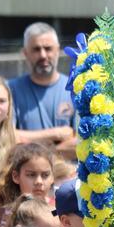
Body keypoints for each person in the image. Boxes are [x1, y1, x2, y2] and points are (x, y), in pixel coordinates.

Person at [9, 22, 77, 157]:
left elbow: (82, 143)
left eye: (48, 48)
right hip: (27, 177)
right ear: (25, 53)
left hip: (69, 176)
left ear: (58, 50)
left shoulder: (76, 89)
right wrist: (56, 134)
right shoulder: (10, 90)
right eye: (36, 49)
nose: (43, 55)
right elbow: (8, 138)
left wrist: (34, 148)